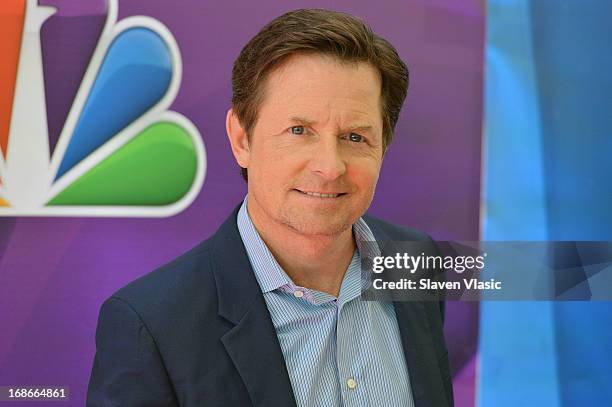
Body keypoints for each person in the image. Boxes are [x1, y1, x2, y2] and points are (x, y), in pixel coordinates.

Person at [87, 8, 453, 407]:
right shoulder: (149, 326)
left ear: (384, 145)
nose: (329, 167)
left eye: (354, 136)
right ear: (242, 139)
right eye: (299, 131)